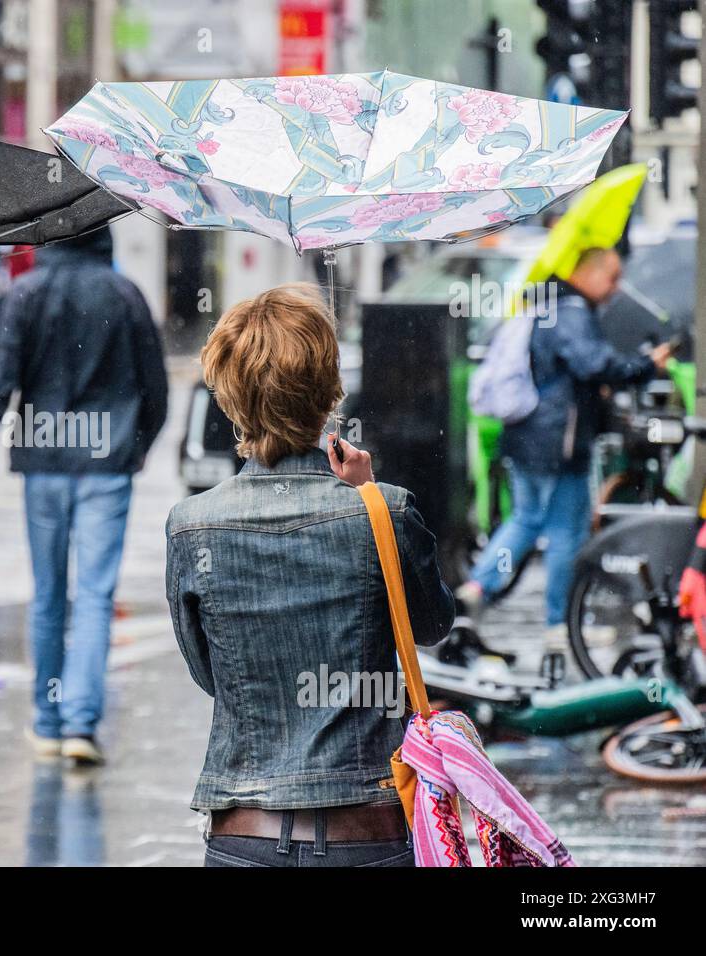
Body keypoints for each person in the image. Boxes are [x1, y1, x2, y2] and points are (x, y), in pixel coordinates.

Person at [166, 283, 455, 867]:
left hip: (243, 833)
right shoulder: (386, 511)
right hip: (365, 833)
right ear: (329, 389)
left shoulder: (190, 526)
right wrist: (368, 496)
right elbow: (433, 625)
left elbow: (211, 675)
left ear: (230, 397)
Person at [0, 228, 169, 766]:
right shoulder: (125, 295)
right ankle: (82, 724)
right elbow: (157, 385)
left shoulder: (26, 294)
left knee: (49, 594)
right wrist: (138, 445)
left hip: (45, 461)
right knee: (97, 595)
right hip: (107, 460)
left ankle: (48, 721)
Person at [459, 248, 674, 638]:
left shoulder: (547, 305)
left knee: (525, 518)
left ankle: (478, 586)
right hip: (560, 442)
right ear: (586, 274)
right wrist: (645, 366)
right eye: (611, 277)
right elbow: (593, 363)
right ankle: (560, 624)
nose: (615, 288)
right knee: (566, 532)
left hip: (528, 435)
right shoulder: (572, 312)